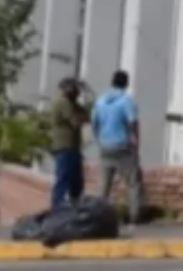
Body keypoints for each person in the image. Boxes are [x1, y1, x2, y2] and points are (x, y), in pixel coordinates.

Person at [93, 71, 145, 227]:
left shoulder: (100, 101)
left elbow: (95, 123)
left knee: (104, 185)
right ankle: (133, 218)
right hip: (123, 146)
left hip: (105, 145)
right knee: (133, 183)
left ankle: (98, 218)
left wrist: (100, 139)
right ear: (126, 83)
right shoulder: (127, 101)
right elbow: (133, 123)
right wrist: (136, 141)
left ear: (112, 81)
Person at [47, 77, 88, 209]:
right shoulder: (64, 103)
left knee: (75, 181)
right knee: (64, 180)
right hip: (66, 147)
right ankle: (57, 208)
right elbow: (76, 121)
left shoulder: (69, 104)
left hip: (70, 147)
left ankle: (71, 206)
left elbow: (86, 115)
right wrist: (81, 117)